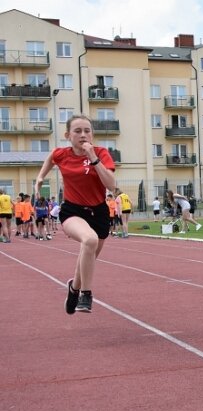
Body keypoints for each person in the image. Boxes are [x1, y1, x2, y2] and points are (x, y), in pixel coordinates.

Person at [35, 114, 116, 314]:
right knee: (89, 240)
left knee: (87, 258)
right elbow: (51, 159)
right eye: (77, 131)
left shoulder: (101, 153)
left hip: (99, 212)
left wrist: (93, 159)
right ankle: (85, 295)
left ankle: (74, 288)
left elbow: (112, 185)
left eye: (87, 131)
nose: (83, 135)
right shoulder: (61, 154)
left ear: (92, 134)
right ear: (68, 135)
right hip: (73, 210)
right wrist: (40, 178)